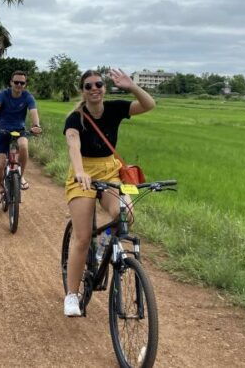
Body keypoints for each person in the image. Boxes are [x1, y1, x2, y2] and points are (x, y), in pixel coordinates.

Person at [62, 68, 155, 317]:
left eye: (99, 85)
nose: (94, 89)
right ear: (82, 91)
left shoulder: (114, 108)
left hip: (110, 171)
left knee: (125, 214)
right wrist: (80, 172)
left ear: (104, 88)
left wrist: (132, 86)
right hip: (83, 173)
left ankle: (103, 245)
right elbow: (73, 145)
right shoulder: (75, 118)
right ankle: (72, 294)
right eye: (89, 86)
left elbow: (149, 105)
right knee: (82, 237)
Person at [0, 71, 42, 209]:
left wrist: (36, 126)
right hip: (1, 130)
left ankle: (20, 175)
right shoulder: (3, 94)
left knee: (23, 145)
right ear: (11, 82)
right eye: (16, 82)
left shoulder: (27, 96)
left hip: (19, 130)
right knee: (0, 164)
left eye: (22, 83)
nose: (19, 85)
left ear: (25, 84)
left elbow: (33, 112)